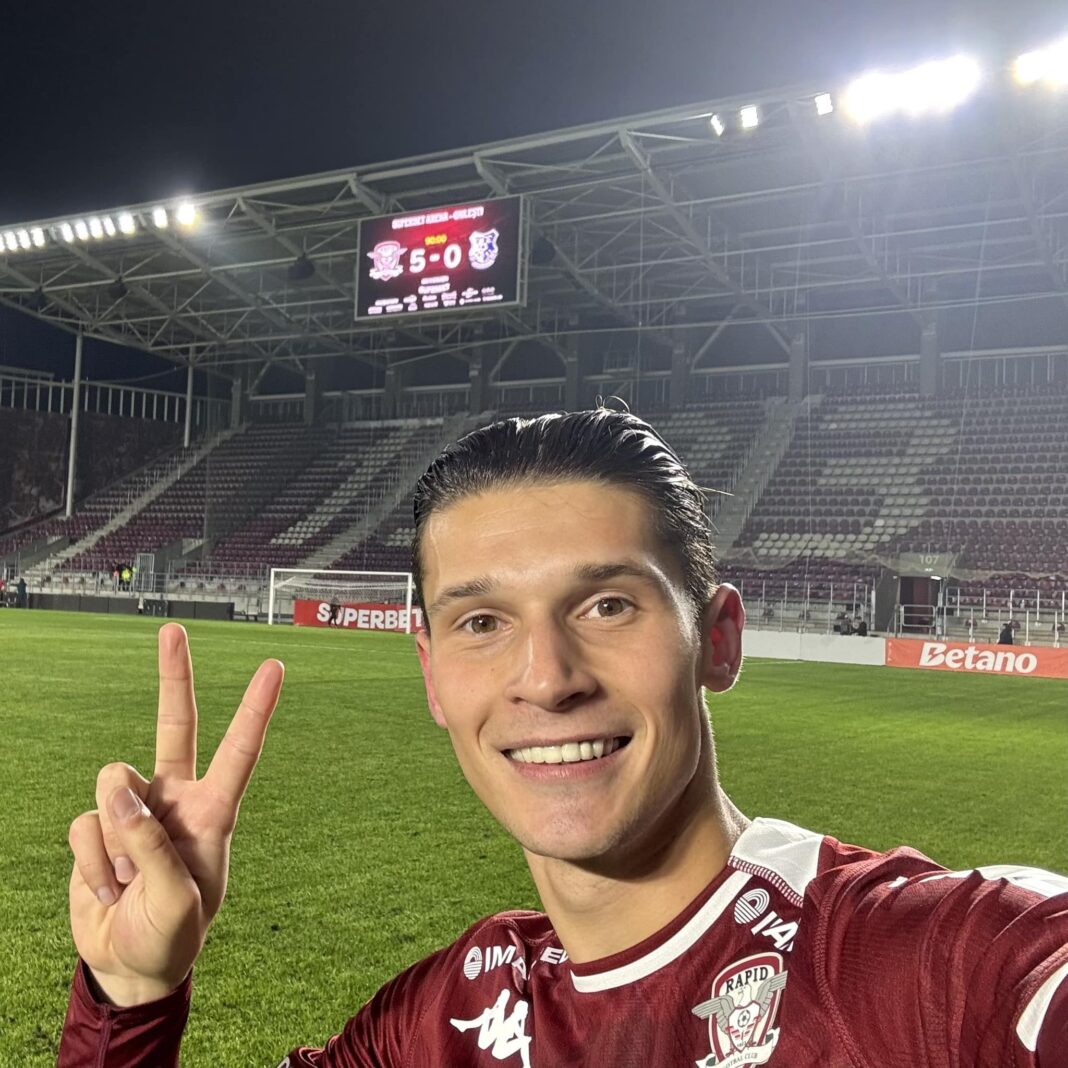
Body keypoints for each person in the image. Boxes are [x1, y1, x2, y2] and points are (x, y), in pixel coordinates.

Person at [59, 410, 1068, 1067]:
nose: (546, 679)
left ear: (718, 640)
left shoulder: (920, 964)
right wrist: (129, 998)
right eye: (482, 622)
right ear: (431, 675)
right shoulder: (441, 1022)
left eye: (608, 605)